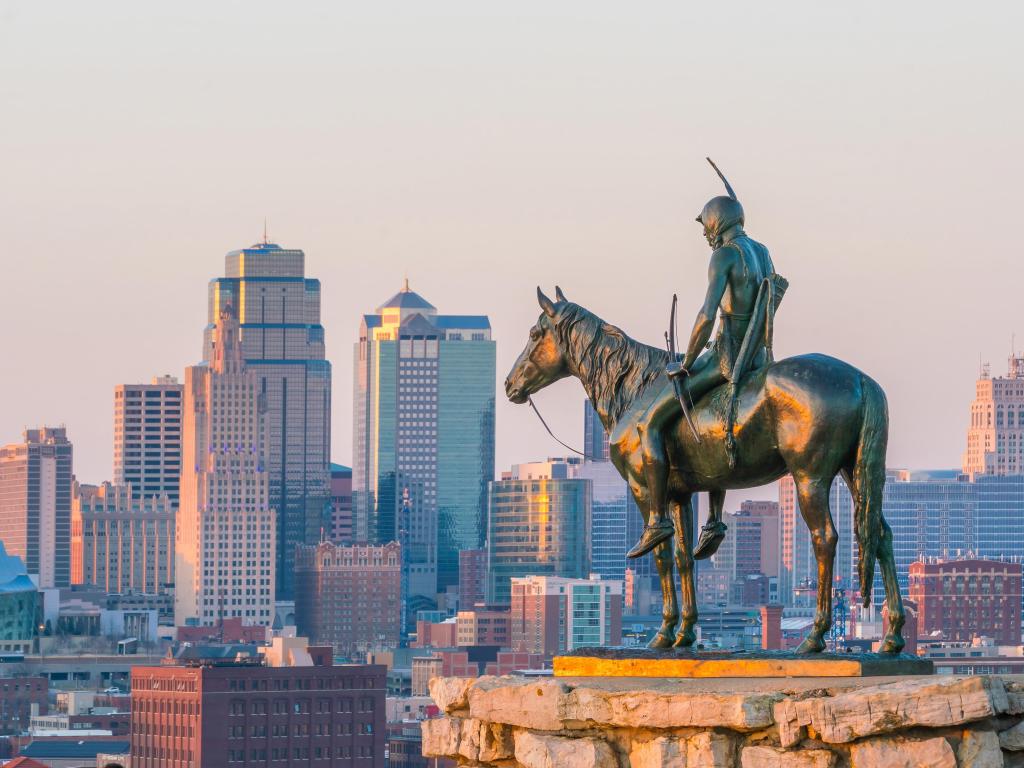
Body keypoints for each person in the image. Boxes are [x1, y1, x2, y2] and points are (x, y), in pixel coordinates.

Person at [627, 161, 785, 560]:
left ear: (716, 223)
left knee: (652, 423)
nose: (703, 234)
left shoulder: (724, 257)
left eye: (705, 226)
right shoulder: (762, 252)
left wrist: (687, 361)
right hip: (760, 357)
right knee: (707, 420)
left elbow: (706, 314)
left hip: (728, 358)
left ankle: (658, 519)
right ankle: (713, 519)